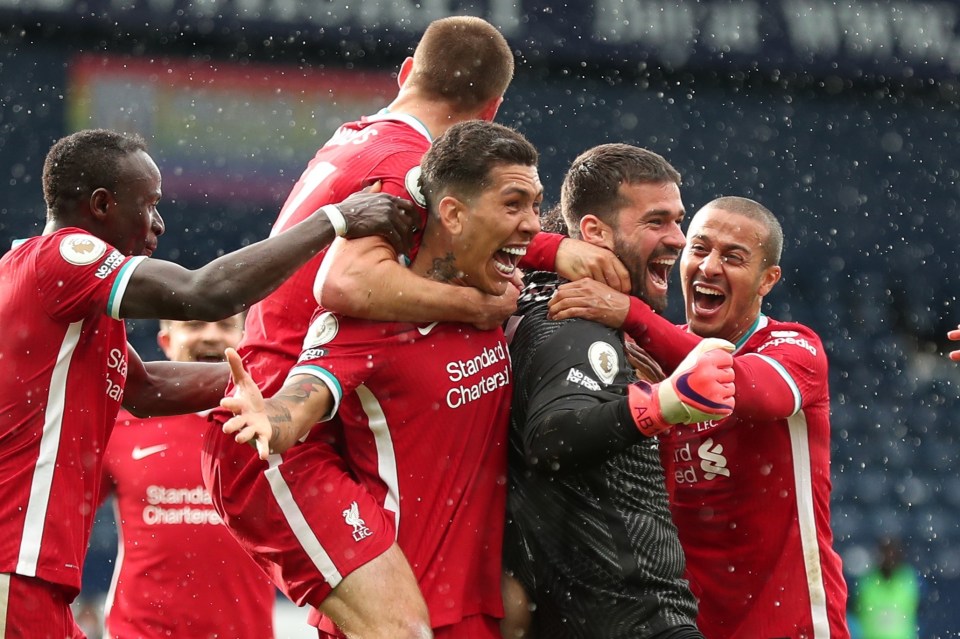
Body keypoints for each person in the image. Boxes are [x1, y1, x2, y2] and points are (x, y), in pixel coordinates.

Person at [201, 15, 628, 639]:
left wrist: (546, 253)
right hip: (276, 435)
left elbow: (465, 224)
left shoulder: (358, 137)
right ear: (490, 112)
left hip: (309, 426)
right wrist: (478, 308)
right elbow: (341, 283)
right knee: (401, 629)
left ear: (407, 73)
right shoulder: (408, 164)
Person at [0, 128, 413, 638]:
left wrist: (307, 375)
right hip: (16, 565)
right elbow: (207, 292)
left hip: (34, 573)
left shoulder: (59, 295)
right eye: (149, 205)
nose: (159, 223)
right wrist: (334, 219)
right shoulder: (64, 257)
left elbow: (148, 388)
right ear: (102, 206)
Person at [219, 120, 540, 639]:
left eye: (535, 204)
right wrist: (271, 418)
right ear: (453, 214)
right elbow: (302, 399)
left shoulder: (498, 299)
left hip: (477, 612)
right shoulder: (373, 321)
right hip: (392, 615)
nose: (531, 224)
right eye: (514, 204)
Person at [550, 196, 851, 638]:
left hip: (790, 624)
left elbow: (740, 384)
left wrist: (631, 314)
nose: (709, 267)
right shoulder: (651, 357)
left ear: (768, 280)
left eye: (733, 257)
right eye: (699, 249)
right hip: (689, 625)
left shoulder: (794, 348)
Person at [503, 143, 735, 639]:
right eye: (657, 222)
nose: (678, 238)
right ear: (594, 233)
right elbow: (552, 438)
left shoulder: (530, 298)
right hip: (636, 617)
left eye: (679, 220)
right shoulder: (575, 323)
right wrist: (662, 405)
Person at [96, 315, 276, 638]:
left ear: (247, 341)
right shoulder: (119, 427)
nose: (211, 336)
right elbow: (60, 521)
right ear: (165, 342)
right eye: (194, 325)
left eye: (225, 325)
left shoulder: (274, 432)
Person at [850, 537, 921, 639]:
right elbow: (852, 616)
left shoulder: (910, 580)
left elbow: (920, 613)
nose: (889, 558)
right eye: (885, 553)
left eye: (892, 554)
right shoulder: (866, 583)